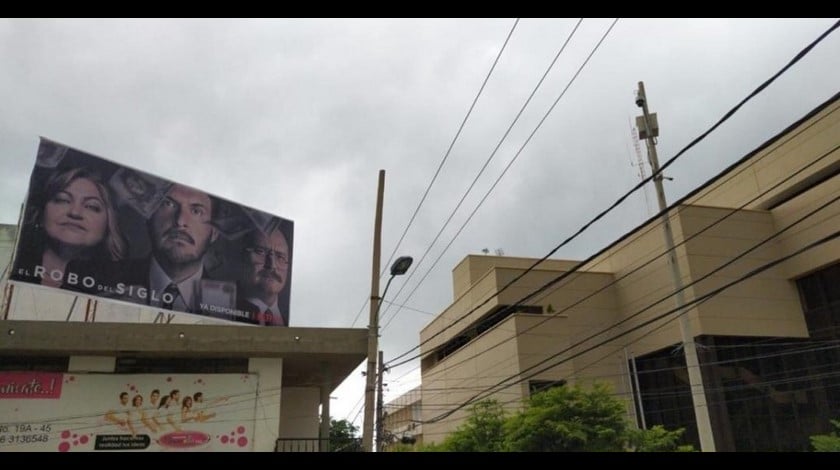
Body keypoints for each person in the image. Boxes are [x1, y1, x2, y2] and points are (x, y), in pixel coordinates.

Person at [66, 183, 232, 314]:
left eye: (197, 211)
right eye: (168, 204)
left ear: (214, 232)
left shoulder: (236, 308)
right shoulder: (89, 276)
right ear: (148, 215)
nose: (180, 221)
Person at [11, 167, 127, 288]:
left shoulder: (117, 288)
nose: (75, 212)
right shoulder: (10, 258)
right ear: (41, 213)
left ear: (109, 225)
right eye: (63, 200)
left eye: (91, 206)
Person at [234, 225, 290, 326]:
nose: (272, 265)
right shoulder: (220, 309)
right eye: (261, 252)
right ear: (242, 258)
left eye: (280, 257)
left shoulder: (289, 322)